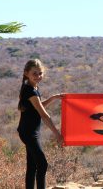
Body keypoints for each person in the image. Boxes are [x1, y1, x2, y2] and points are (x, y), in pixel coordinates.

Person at [17, 59, 64, 189]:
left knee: (32, 166)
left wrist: (53, 98)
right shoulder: (30, 90)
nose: (38, 76)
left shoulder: (33, 88)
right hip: (28, 133)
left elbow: (38, 106)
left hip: (30, 131)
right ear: (26, 73)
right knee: (42, 164)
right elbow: (43, 114)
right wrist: (57, 134)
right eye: (35, 73)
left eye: (40, 73)